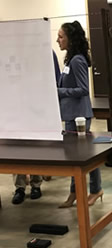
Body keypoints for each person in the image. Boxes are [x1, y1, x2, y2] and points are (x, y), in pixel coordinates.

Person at [56, 21, 103, 208]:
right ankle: (74, 193)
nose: (58, 40)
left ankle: (95, 189)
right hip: (70, 114)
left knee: (84, 156)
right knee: (76, 157)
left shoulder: (77, 60)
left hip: (79, 116)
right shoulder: (71, 58)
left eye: (61, 36)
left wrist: (59, 91)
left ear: (70, 38)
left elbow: (83, 89)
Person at [11, 51, 62, 204]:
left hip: (39, 105)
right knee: (17, 147)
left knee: (36, 147)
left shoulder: (46, 52)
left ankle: (36, 184)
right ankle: (19, 187)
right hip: (17, 105)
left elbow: (56, 79)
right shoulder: (13, 50)